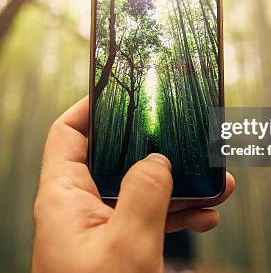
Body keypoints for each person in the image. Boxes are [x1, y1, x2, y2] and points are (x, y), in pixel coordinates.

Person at [31, 96, 236, 272]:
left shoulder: (153, 176)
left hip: (173, 253)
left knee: (176, 230)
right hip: (158, 244)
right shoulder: (153, 176)